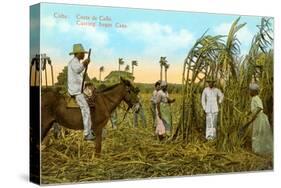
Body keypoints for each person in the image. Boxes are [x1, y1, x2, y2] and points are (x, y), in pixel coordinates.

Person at [68, 43, 95, 140]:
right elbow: (78, 70)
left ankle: (92, 127)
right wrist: (85, 63)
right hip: (76, 91)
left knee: (94, 99)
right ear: (78, 53)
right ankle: (87, 134)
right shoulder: (74, 62)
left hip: (80, 88)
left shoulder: (78, 62)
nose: (84, 55)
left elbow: (80, 78)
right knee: (86, 109)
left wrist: (88, 84)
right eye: (82, 53)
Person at [246, 83, 273, 155]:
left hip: (259, 118)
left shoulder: (256, 98)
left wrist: (253, 116)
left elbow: (260, 107)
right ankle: (256, 150)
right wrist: (249, 113)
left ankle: (258, 150)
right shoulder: (254, 98)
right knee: (256, 133)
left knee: (257, 133)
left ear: (254, 91)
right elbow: (254, 108)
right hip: (257, 117)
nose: (249, 92)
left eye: (250, 91)